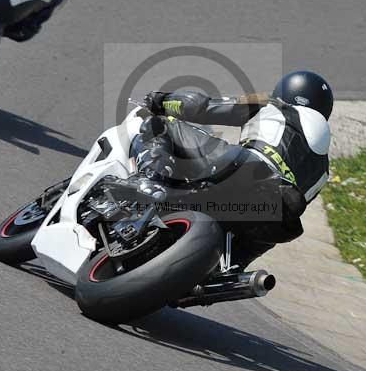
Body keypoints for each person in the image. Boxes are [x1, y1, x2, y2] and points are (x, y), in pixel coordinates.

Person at [137, 70, 333, 269]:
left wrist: (161, 101)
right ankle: (220, 276)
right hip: (276, 222)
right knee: (223, 270)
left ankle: (148, 182)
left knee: (159, 126)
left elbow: (201, 107)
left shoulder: (273, 104)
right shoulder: (324, 170)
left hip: (248, 169)